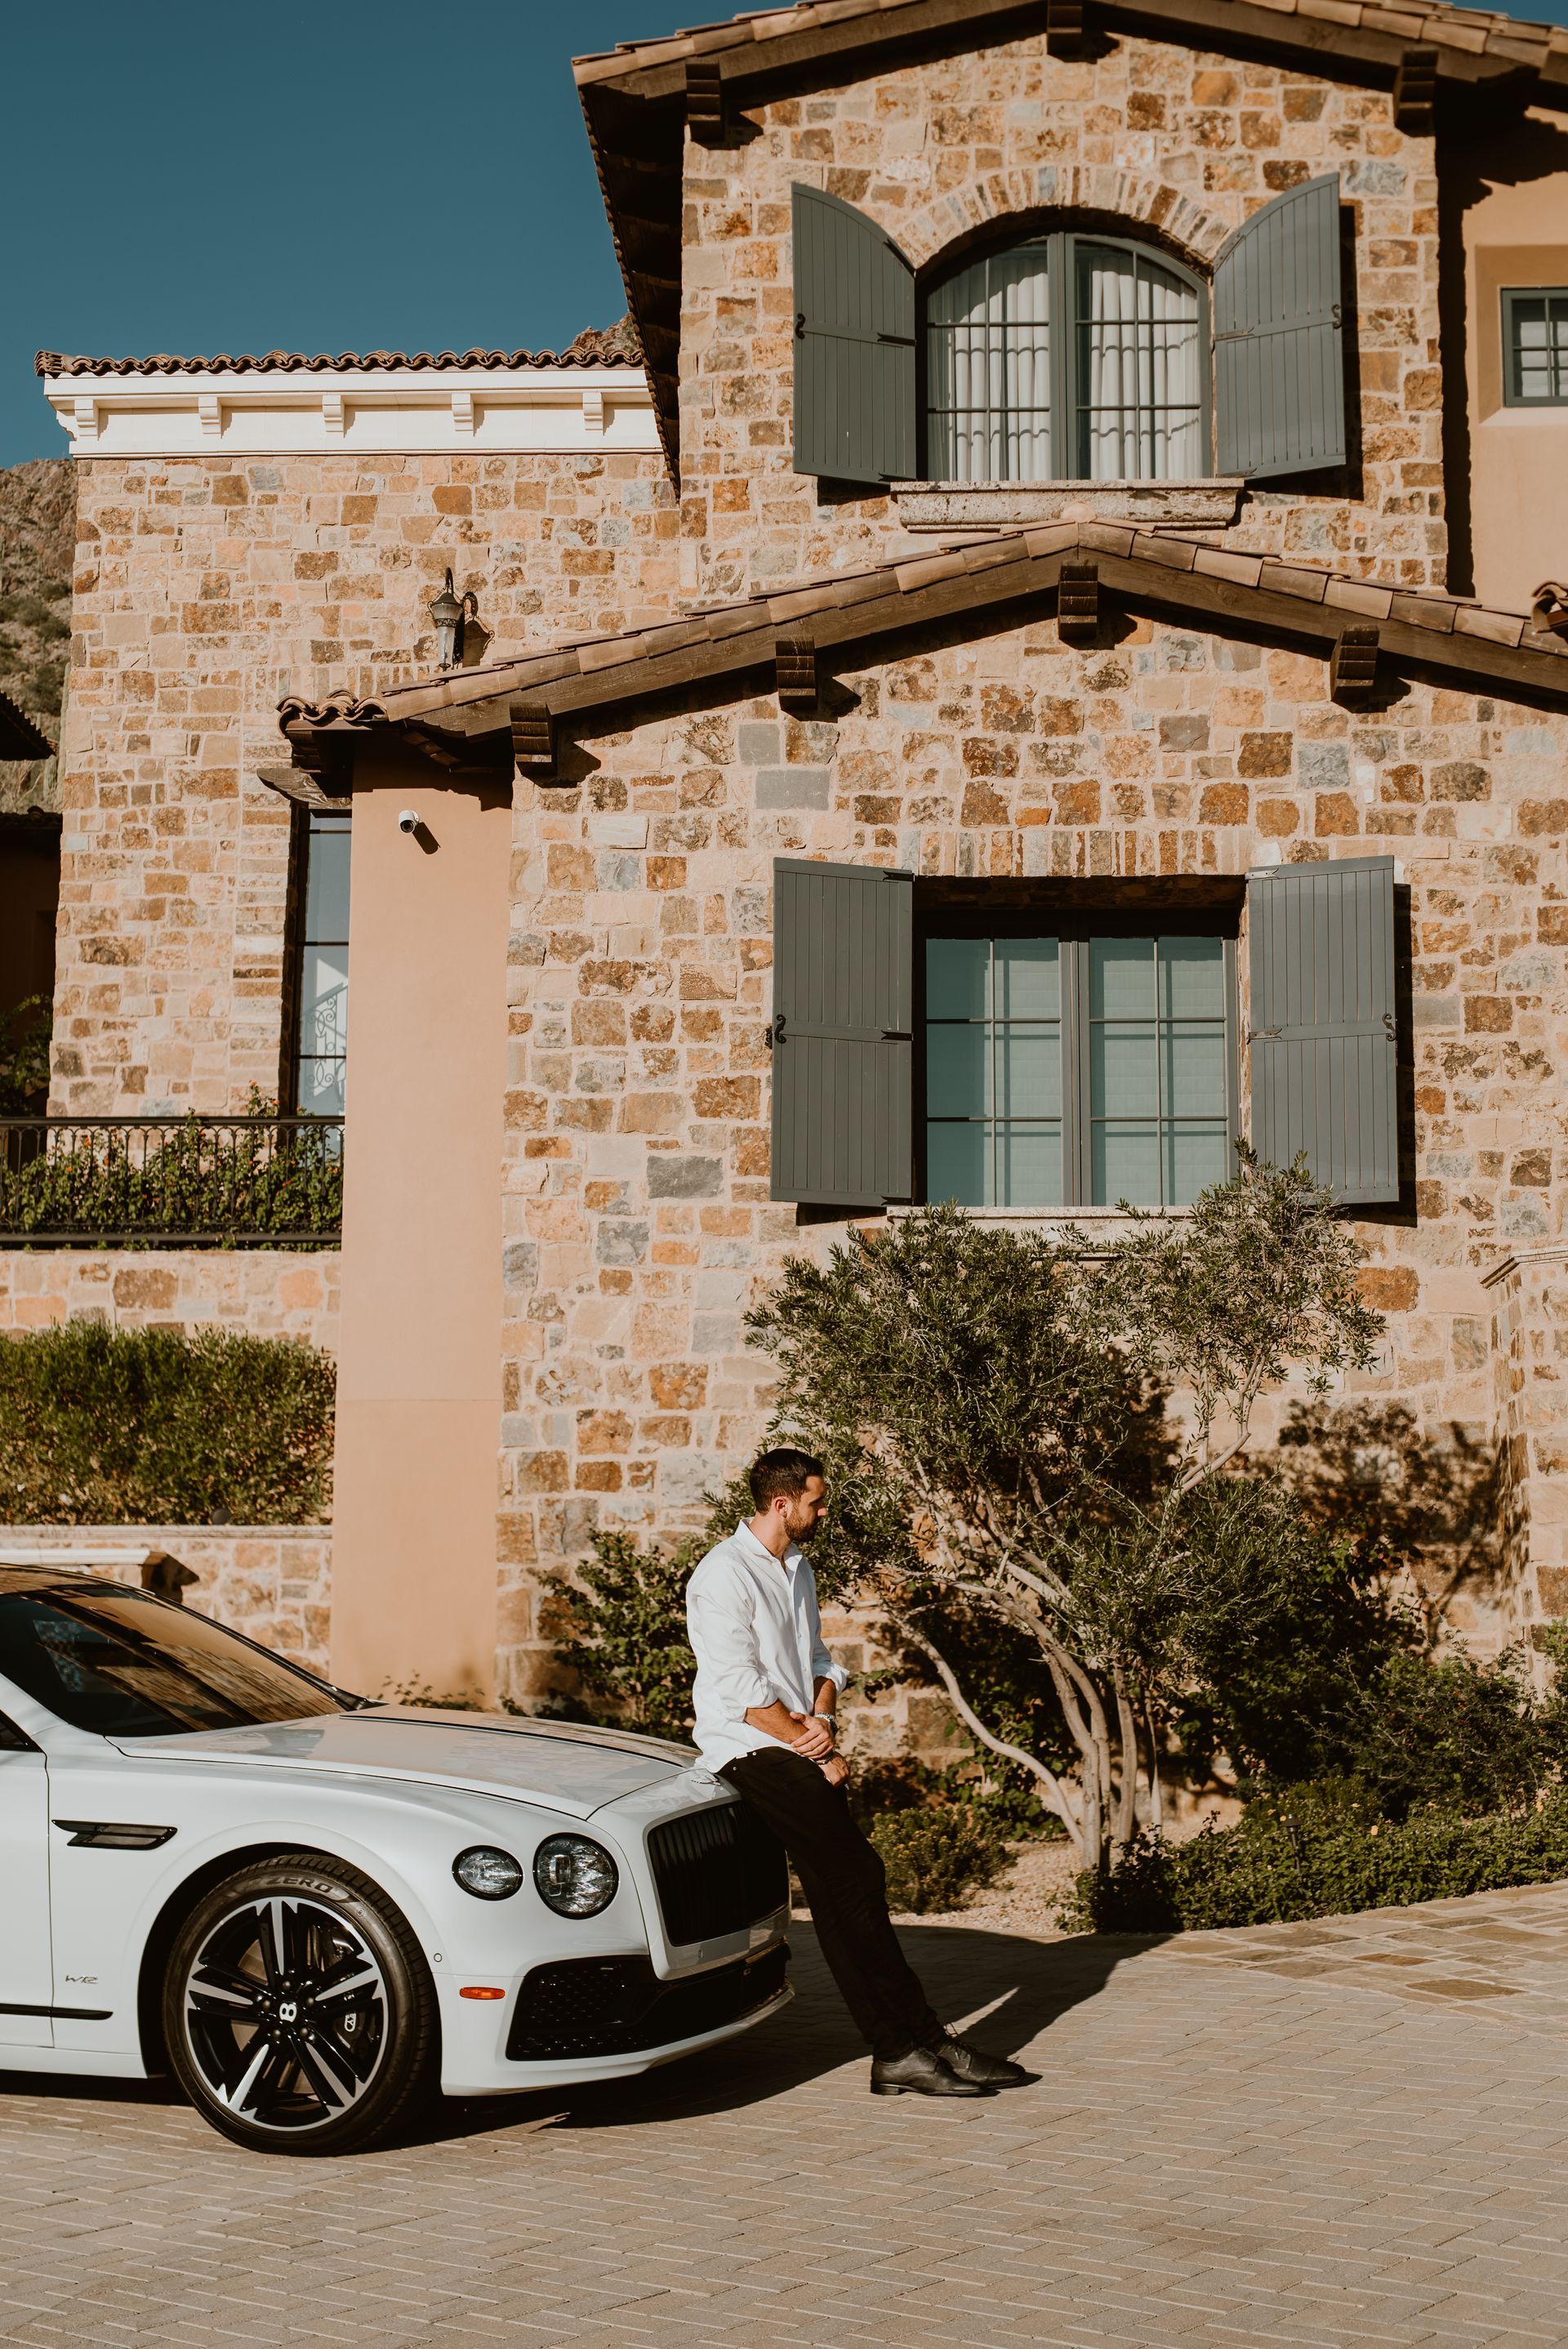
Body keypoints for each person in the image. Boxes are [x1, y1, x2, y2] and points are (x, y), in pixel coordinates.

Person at [684, 1446, 1034, 2099]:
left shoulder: (798, 1568)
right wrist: (816, 1748)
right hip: (748, 1750)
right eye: (817, 1502)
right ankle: (910, 2043)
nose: (823, 1511)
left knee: (846, 1893)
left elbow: (819, 1661)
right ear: (782, 1503)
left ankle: (915, 2045)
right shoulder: (722, 1576)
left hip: (794, 1742)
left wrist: (822, 1716)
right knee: (857, 1878)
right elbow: (743, 1693)